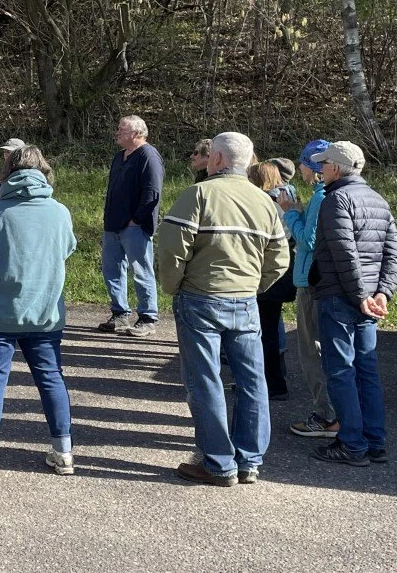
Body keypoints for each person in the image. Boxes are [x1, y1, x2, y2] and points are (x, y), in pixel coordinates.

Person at [158, 131, 289, 486]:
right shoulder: (265, 202)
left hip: (200, 298)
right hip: (245, 301)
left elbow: (171, 249)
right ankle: (249, 461)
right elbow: (279, 257)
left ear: (215, 159)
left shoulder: (198, 194)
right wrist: (254, 286)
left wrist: (174, 286)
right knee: (251, 380)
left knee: (205, 380)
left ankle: (218, 462)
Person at [0, 146, 78, 480]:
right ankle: (63, 451)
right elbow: (68, 248)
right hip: (45, 310)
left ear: (7, 173)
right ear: (44, 172)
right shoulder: (59, 212)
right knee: (51, 377)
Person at [309, 141, 397, 467]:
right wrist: (382, 293)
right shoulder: (378, 199)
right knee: (367, 371)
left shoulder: (336, 200)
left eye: (324, 165)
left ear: (336, 167)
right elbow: (393, 254)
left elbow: (344, 253)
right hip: (365, 298)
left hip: (342, 297)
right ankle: (375, 442)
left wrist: (363, 296)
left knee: (342, 372)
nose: (320, 170)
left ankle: (351, 444)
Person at [277, 139, 339, 439]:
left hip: (311, 283)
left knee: (311, 351)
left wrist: (289, 212)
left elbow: (309, 242)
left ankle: (326, 416)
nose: (299, 167)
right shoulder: (323, 195)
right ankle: (334, 415)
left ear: (312, 167)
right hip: (322, 282)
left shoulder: (320, 196)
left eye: (302, 162)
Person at [97, 115, 164, 338]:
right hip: (113, 225)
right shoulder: (119, 157)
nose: (117, 132)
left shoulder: (148, 156)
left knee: (141, 271)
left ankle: (147, 317)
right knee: (112, 270)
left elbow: (152, 193)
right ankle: (119, 314)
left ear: (136, 134)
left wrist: (136, 219)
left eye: (121, 129)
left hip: (134, 227)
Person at [246, 161, 296, 401]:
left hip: (269, 273)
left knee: (265, 330)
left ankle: (273, 383)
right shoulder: (286, 197)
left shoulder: (265, 203)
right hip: (284, 269)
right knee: (270, 327)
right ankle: (273, 379)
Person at [0, 138, 25, 203]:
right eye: (4, 151)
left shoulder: (29, 173)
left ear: (21, 153)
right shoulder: (0, 173)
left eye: (9, 152)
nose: (5, 154)